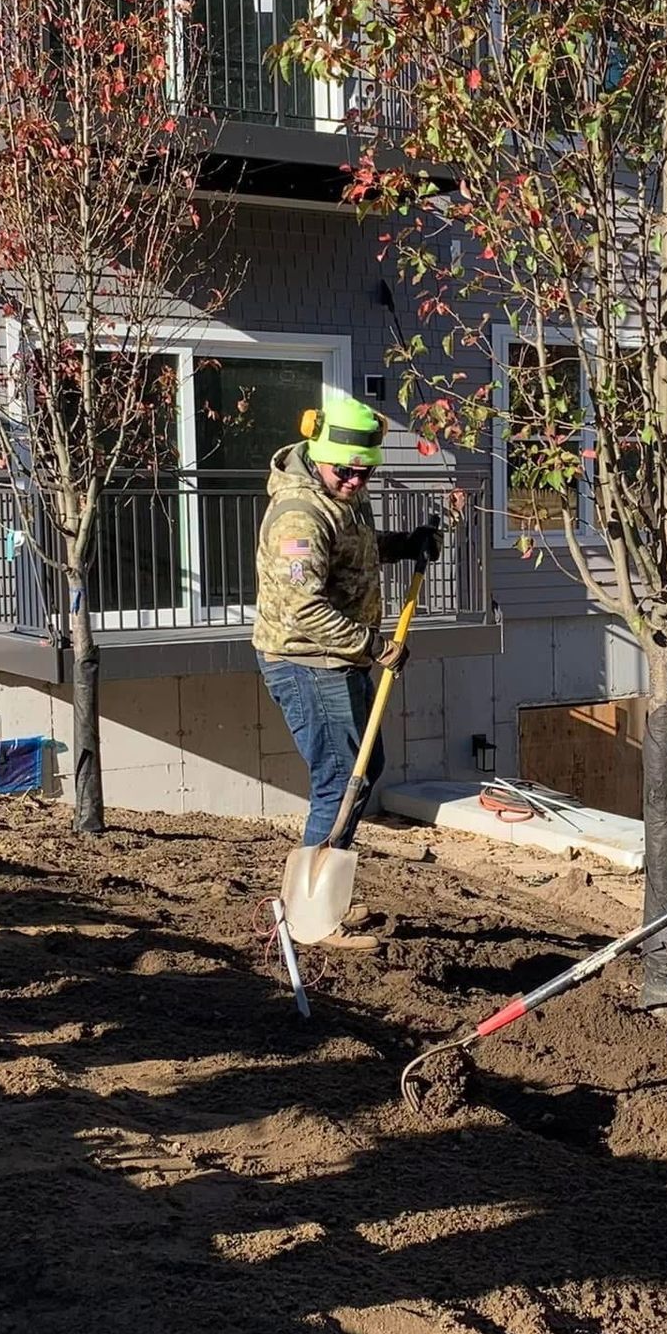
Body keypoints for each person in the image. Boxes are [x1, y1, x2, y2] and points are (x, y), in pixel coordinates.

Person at [253, 397, 440, 946]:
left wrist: (405, 545)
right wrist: (372, 646)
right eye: (347, 470)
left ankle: (326, 890)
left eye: (366, 471)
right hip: (308, 663)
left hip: (343, 659)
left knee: (366, 764)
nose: (357, 480)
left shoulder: (341, 498)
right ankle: (308, 918)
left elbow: (354, 551)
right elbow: (301, 609)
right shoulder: (298, 517)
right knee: (339, 780)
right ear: (318, 454)